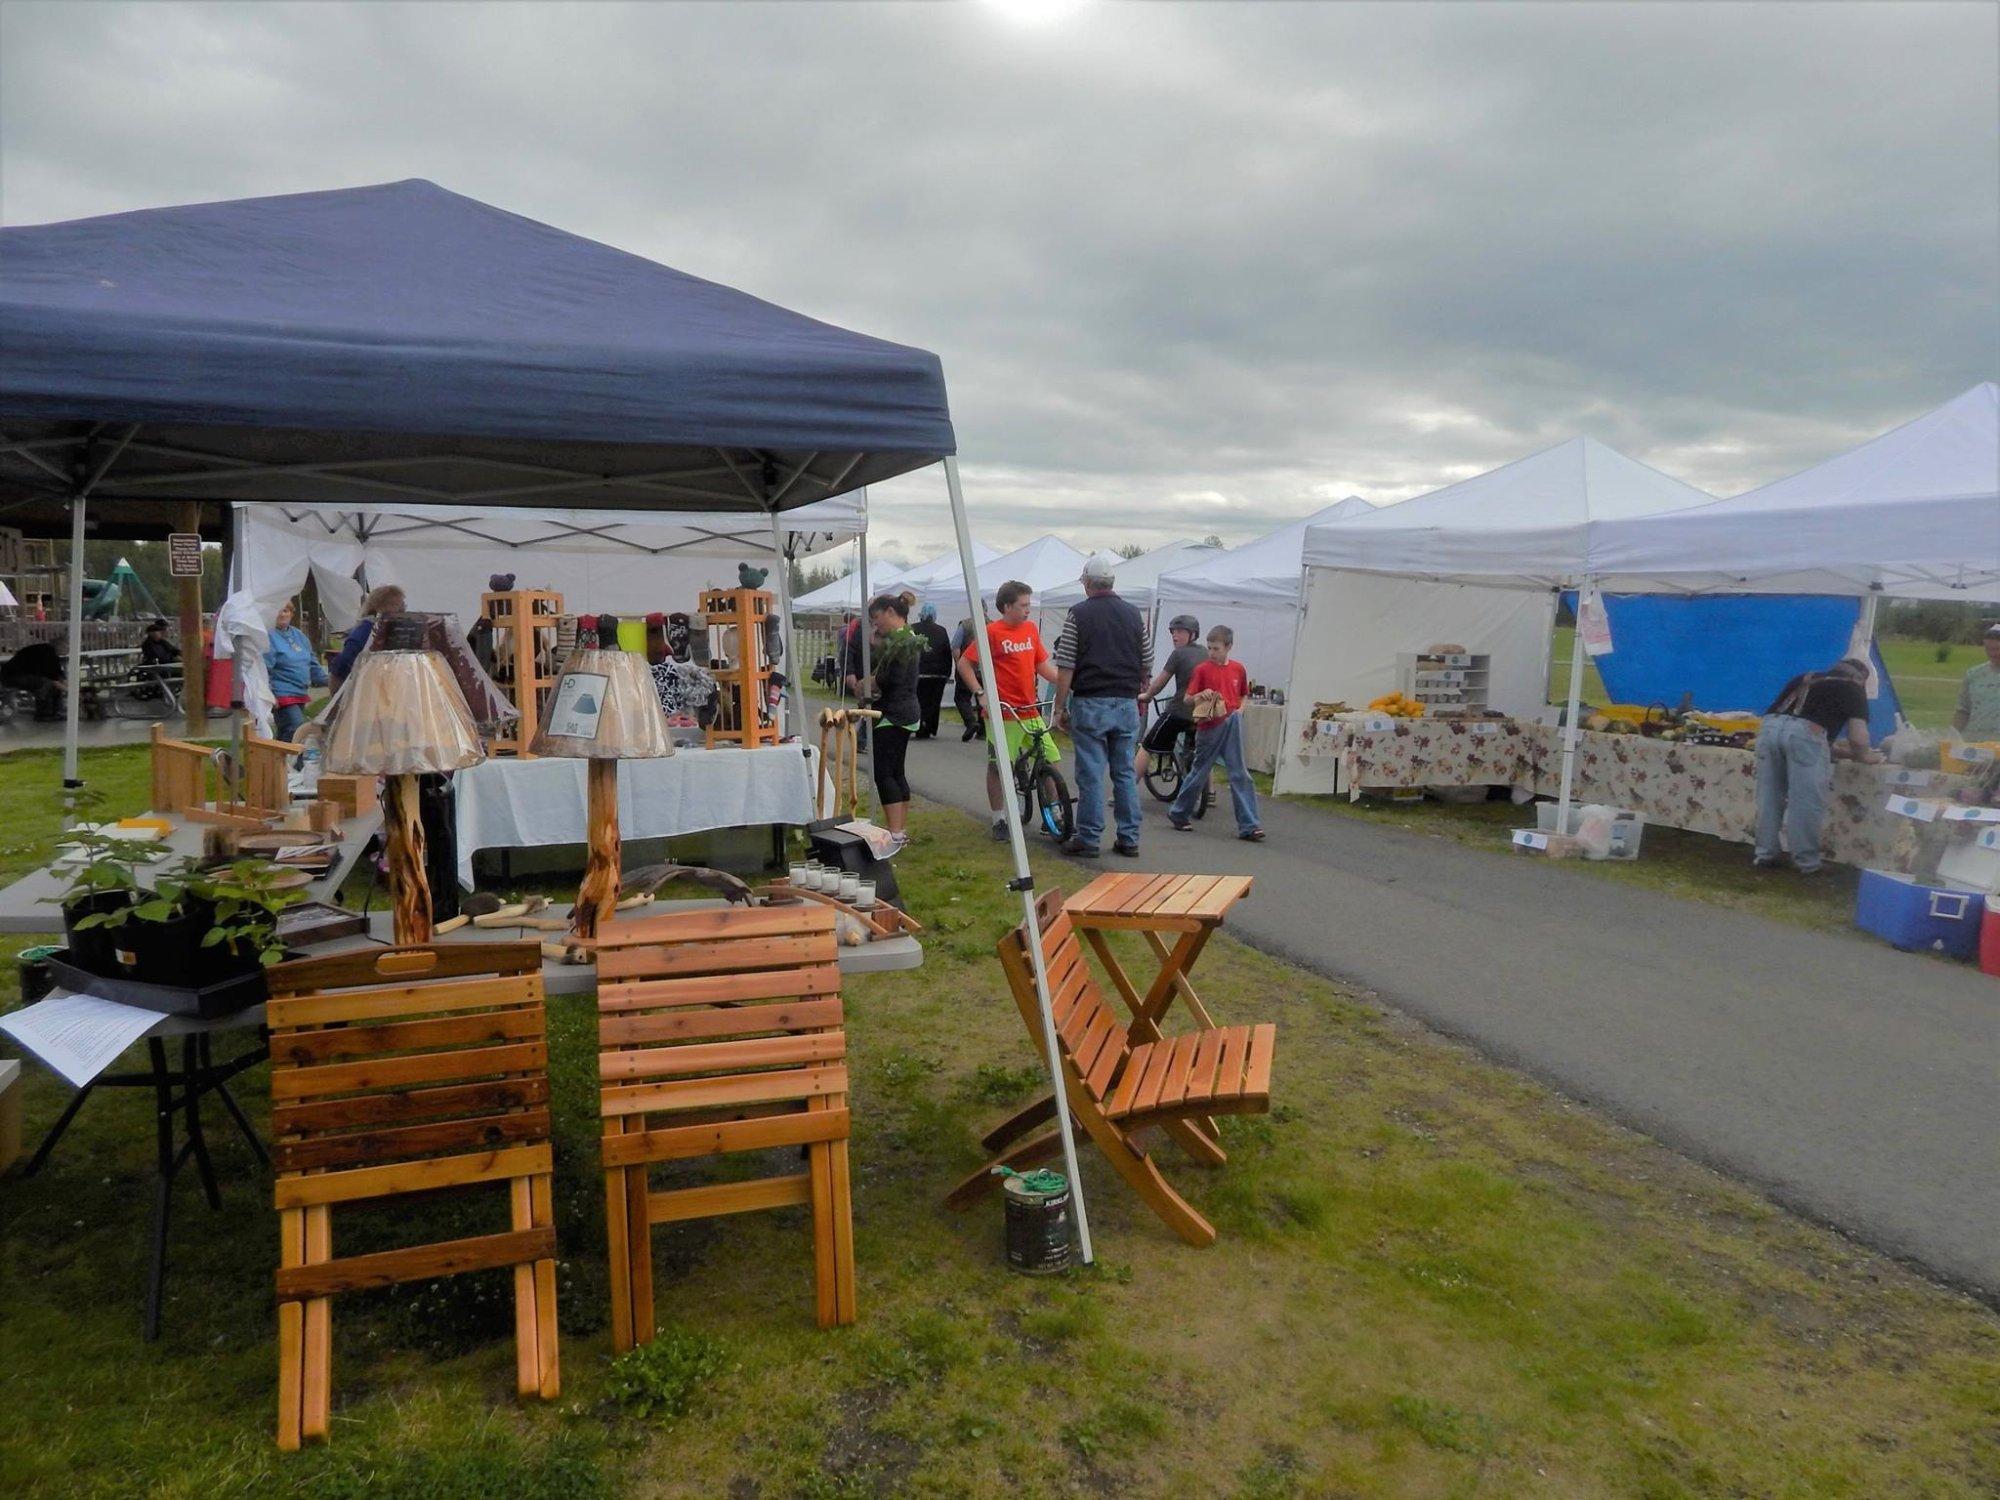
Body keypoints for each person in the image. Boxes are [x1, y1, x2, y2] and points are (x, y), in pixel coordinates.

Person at [1050, 553, 1151, 858]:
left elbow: (1066, 664)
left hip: (1092, 701)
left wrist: (1059, 706)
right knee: (1123, 772)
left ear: (1087, 584)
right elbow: (1146, 659)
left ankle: (1089, 837)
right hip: (1125, 703)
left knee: (1091, 773)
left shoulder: (1079, 614)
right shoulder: (1134, 614)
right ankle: (1129, 837)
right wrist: (1140, 685)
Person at [1754, 656, 1882, 874]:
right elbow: (1859, 739)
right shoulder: (1853, 688)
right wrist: (1866, 756)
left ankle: (1765, 854)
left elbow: (1793, 728)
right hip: (1806, 735)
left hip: (1768, 729)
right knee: (1805, 801)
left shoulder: (1805, 678)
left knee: (1769, 796)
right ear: (1862, 679)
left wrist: (1832, 749)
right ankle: (1807, 863)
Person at [956, 580, 1059, 840]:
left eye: (1029, 604)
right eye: (1023, 605)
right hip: (1003, 714)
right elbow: (964, 665)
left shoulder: (1031, 630)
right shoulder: (991, 632)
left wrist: (1065, 680)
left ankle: (1055, 813)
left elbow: (1043, 666)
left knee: (1051, 759)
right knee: (998, 766)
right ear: (1006, 607)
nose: (1028, 610)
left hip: (1030, 709)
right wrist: (980, 693)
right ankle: (999, 818)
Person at [1167, 625, 1265, 841]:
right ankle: (1179, 812)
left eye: (1216, 648)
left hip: (1231, 720)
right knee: (1200, 771)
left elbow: (1243, 695)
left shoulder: (1238, 669)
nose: (1212, 653)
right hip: (1210, 724)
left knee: (1239, 772)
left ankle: (1249, 824)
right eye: (1210, 648)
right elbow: (1187, 698)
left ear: (1229, 647)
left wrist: (1240, 710)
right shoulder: (1202, 669)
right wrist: (1202, 694)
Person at [863, 594, 921, 853]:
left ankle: (895, 833)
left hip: (893, 712)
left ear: (889, 612)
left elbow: (891, 679)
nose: (877, 626)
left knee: (884, 772)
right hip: (906, 710)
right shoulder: (908, 637)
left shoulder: (902, 642)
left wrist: (873, 683)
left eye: (877, 620)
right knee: (897, 771)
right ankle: (899, 829)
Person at [1136, 613, 1204, 780]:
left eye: (1180, 631)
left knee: (1147, 745)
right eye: (1173, 632)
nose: (1175, 635)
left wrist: (1147, 695)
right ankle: (1209, 793)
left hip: (1179, 711)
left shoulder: (1179, 654)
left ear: (1193, 634)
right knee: (1202, 752)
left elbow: (1160, 682)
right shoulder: (1206, 652)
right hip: (1202, 713)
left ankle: (1126, 791)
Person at [265, 599, 329, 743]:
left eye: (285, 611)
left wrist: (330, 680)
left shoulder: (299, 636)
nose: (282, 614)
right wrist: (269, 694)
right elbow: (264, 668)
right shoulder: (269, 636)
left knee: (285, 733)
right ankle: (293, 762)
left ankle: (278, 761)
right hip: (282, 694)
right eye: (278, 611)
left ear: (291, 614)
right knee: (297, 729)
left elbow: (312, 663)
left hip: (300, 693)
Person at [329, 584, 406, 689]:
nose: (403, 609)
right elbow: (343, 664)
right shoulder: (366, 630)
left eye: (403, 605)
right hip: (358, 689)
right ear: (381, 606)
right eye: (398, 605)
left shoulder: (389, 630)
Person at [911, 602, 954, 740]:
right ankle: (929, 726)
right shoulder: (941, 630)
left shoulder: (913, 629)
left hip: (919, 672)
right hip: (938, 673)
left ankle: (918, 724)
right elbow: (947, 652)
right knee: (934, 702)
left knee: (918, 699)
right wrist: (947, 672)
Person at [1951, 623, 2000, 741]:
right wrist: (1952, 738)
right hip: (1975, 743)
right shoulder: (1973, 674)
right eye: (1988, 649)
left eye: (1997, 649)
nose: (1992, 654)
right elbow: (1963, 710)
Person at [1, 639, 65, 720]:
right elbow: (53, 677)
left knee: (48, 683)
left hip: (8, 676)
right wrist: (68, 690)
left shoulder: (44, 650)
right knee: (47, 684)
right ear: (60, 645)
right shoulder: (48, 653)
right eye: (67, 646)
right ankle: (45, 713)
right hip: (15, 677)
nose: (68, 648)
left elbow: (56, 674)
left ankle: (50, 712)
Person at [950, 617, 985, 741]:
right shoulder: (992, 624)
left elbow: (955, 646)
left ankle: (971, 722)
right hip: (986, 671)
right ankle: (983, 730)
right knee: (983, 699)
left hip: (969, 667)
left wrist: (959, 664)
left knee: (962, 698)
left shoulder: (965, 625)